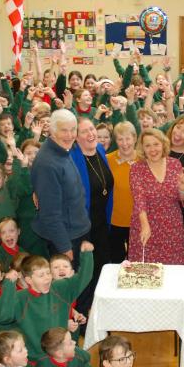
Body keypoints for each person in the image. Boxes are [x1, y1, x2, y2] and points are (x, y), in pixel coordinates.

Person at [31, 109, 91, 266]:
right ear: (52, 130)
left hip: (77, 230)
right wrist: (64, 247)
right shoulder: (48, 163)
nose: (70, 135)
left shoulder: (63, 149)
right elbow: (50, 213)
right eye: (64, 130)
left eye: (73, 130)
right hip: (66, 239)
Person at [69, 117, 113, 316]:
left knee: (102, 268)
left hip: (102, 222)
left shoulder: (101, 151)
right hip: (82, 225)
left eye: (92, 129)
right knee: (85, 271)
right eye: (84, 131)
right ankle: (84, 315)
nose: (91, 134)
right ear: (76, 137)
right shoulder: (72, 157)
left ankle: (100, 310)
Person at [127, 128, 184, 264]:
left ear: (163, 144)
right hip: (145, 224)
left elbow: (183, 199)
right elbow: (139, 199)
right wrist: (145, 224)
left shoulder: (175, 164)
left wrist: (183, 189)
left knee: (172, 270)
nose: (152, 149)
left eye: (156, 144)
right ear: (142, 148)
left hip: (172, 227)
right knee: (146, 272)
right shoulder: (136, 169)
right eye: (147, 145)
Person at [107, 121, 137, 263]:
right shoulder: (107, 160)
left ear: (135, 138)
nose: (125, 143)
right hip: (114, 220)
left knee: (137, 261)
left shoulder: (144, 159)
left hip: (138, 221)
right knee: (115, 261)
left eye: (128, 138)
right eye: (120, 139)